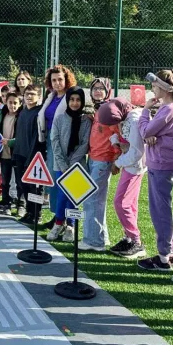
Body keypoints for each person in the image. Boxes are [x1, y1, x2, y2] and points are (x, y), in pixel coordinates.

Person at [137, 70, 173, 272]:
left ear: (165, 88)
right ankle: (169, 253)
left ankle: (164, 257)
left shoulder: (168, 109)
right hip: (161, 163)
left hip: (162, 165)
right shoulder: (169, 108)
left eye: (155, 85)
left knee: (160, 212)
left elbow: (145, 131)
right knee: (162, 210)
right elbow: (150, 134)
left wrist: (145, 112)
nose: (152, 89)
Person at [79, 78, 120, 251]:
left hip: (103, 160)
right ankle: (101, 236)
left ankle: (94, 241)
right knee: (95, 200)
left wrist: (116, 158)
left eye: (101, 89)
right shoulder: (98, 110)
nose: (97, 91)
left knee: (93, 200)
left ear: (107, 91)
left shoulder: (109, 110)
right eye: (94, 88)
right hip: (93, 158)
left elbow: (117, 135)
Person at [47, 86, 92, 243]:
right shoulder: (59, 119)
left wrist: (73, 164)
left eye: (78, 100)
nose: (74, 103)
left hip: (78, 166)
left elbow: (85, 144)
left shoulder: (86, 121)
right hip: (61, 165)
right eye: (72, 99)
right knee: (62, 194)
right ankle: (58, 223)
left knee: (74, 196)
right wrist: (63, 164)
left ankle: (71, 226)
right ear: (67, 101)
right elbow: (55, 141)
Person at [107, 99, 148, 258]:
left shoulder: (134, 120)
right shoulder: (126, 118)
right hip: (130, 164)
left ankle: (136, 240)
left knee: (121, 202)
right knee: (130, 203)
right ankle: (129, 238)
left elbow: (136, 151)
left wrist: (117, 162)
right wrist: (116, 142)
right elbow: (124, 140)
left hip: (134, 165)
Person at [38, 64, 76, 230]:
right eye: (53, 80)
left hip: (65, 144)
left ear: (66, 79)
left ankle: (69, 221)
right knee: (54, 180)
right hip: (50, 141)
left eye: (60, 79)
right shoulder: (51, 96)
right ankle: (57, 216)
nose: (57, 83)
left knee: (66, 181)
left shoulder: (71, 96)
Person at [5, 84, 44, 225]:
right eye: (27, 94)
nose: (29, 96)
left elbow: (38, 137)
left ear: (39, 97)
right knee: (23, 185)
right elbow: (19, 135)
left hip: (33, 157)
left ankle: (37, 214)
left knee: (35, 187)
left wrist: (32, 157)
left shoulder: (39, 113)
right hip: (19, 154)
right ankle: (29, 211)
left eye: (32, 94)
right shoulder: (22, 112)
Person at [0, 92, 22, 212]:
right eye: (10, 102)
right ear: (6, 102)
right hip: (4, 153)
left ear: (20, 104)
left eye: (15, 103)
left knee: (18, 181)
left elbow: (22, 136)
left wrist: (11, 142)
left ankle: (20, 202)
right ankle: (6, 201)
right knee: (5, 179)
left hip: (16, 153)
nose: (12, 105)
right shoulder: (2, 114)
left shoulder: (21, 116)